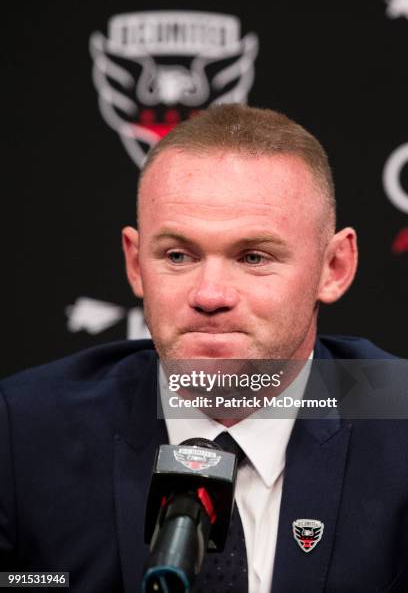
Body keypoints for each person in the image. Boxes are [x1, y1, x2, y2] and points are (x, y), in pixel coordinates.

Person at [0, 105, 407, 592]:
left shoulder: (398, 417)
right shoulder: (23, 431)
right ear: (134, 263)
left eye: (253, 257)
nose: (210, 295)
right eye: (178, 255)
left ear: (334, 267)